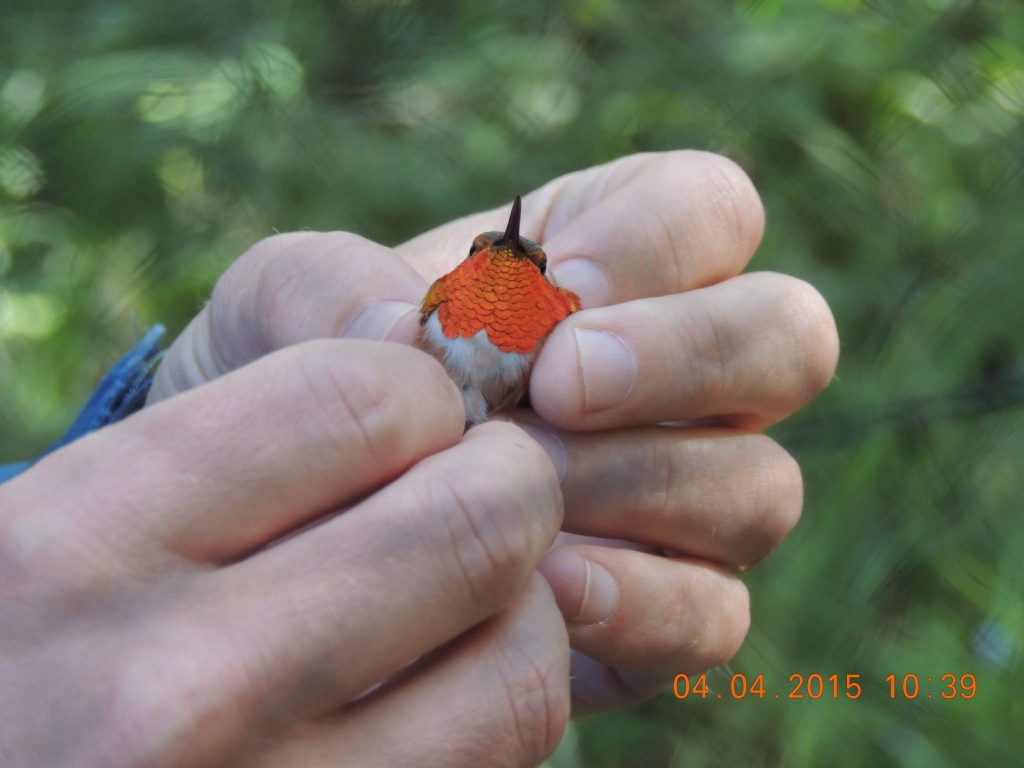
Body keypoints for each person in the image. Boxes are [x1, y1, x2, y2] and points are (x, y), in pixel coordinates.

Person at [0, 151, 839, 767]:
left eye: (528, 259)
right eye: (488, 252)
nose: (506, 257)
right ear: (469, 265)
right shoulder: (440, 300)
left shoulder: (551, 316)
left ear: (550, 284)